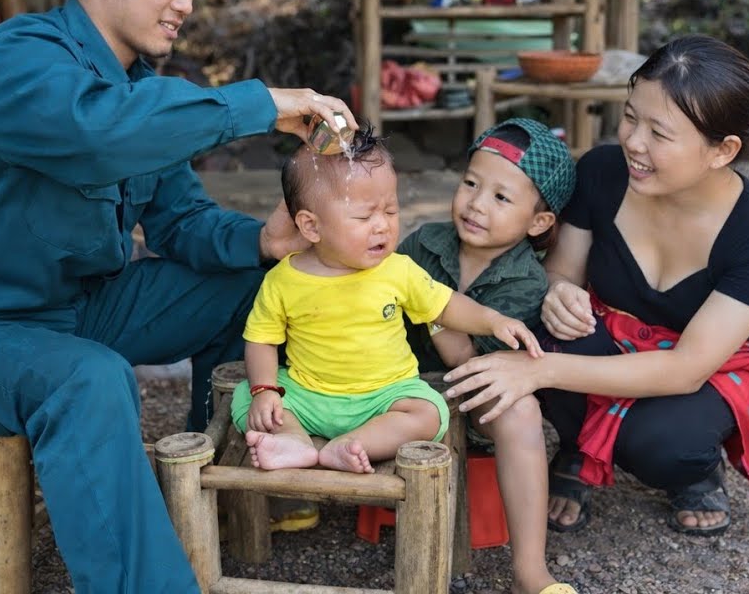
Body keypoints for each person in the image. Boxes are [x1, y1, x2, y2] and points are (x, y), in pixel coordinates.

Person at [0, 0, 357, 592]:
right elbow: (95, 134)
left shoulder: (139, 91)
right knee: (89, 378)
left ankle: (214, 486)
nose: (186, 3)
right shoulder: (20, 56)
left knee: (257, 289)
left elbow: (182, 221)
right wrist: (255, 103)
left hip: (73, 312)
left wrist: (267, 243)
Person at [442, 35, 749, 540]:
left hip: (699, 372)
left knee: (663, 444)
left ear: (723, 150)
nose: (633, 142)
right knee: (541, 332)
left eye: (659, 133)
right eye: (631, 118)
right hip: (607, 338)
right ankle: (577, 448)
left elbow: (686, 368)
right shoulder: (603, 172)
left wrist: (537, 371)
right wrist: (558, 291)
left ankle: (696, 474)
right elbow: (562, 271)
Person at [231, 129, 542, 475]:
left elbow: (445, 305)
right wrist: (265, 389)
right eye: (365, 217)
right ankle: (295, 439)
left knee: (430, 411)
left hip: (384, 397)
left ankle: (351, 445)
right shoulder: (283, 280)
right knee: (245, 397)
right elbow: (261, 340)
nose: (382, 226)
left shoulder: (398, 270)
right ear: (311, 226)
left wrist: (492, 320)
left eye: (391, 211)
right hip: (309, 394)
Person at [399, 117, 578, 594]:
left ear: (538, 222)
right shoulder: (423, 243)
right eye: (471, 184)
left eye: (501, 197)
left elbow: (466, 362)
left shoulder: (526, 280)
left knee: (522, 410)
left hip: (466, 393)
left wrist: (428, 303)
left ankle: (530, 571)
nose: (477, 204)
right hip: (393, 384)